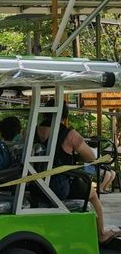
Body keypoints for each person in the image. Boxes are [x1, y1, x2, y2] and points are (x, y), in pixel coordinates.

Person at [36, 100, 118, 245]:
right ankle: (101, 234)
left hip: (36, 184)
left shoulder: (34, 130)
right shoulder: (70, 134)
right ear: (65, 116)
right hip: (59, 186)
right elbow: (91, 157)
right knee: (93, 196)